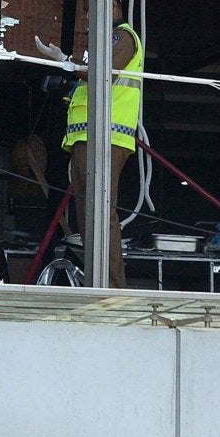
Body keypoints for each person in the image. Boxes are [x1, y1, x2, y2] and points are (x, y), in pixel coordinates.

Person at [57, 22, 142, 289]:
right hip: (87, 137)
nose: (86, 16)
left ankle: (111, 287)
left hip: (105, 137)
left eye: (88, 9)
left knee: (101, 213)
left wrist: (66, 62)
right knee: (87, 216)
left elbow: (101, 76)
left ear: (112, 6)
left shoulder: (121, 37)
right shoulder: (103, 40)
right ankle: (97, 283)